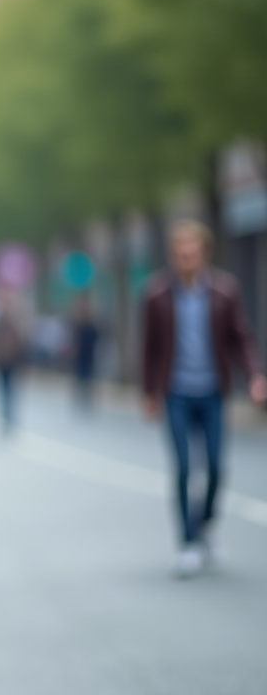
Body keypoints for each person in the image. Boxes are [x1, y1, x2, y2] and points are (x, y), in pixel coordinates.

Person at [141, 219, 266, 578]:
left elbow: (241, 337)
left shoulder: (225, 292)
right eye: (179, 253)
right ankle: (188, 542)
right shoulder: (156, 295)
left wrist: (255, 376)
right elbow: (149, 349)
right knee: (182, 468)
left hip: (212, 392)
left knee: (214, 467)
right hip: (176, 392)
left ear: (204, 254)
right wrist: (149, 393)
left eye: (191, 253)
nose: (185, 259)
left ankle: (205, 522)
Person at [0, 291, 25, 432]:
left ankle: (8, 418)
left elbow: (20, 343)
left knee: (10, 391)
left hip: (12, 363)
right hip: (0, 362)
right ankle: (2, 417)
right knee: (1, 391)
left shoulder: (15, 323)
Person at [69, 293, 101, 411]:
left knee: (87, 381)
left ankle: (86, 401)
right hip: (81, 357)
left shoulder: (91, 325)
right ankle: (79, 401)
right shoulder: (78, 325)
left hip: (88, 357)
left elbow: (96, 339)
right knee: (80, 380)